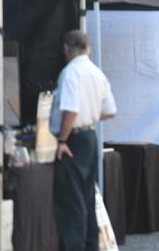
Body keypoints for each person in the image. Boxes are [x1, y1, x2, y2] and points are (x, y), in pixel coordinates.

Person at [50, 30, 117, 251]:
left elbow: (70, 109)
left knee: (73, 201)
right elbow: (109, 110)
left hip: (73, 139)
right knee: (87, 197)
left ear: (66, 50)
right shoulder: (96, 72)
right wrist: (88, 117)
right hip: (89, 136)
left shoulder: (71, 73)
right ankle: (90, 246)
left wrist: (62, 140)